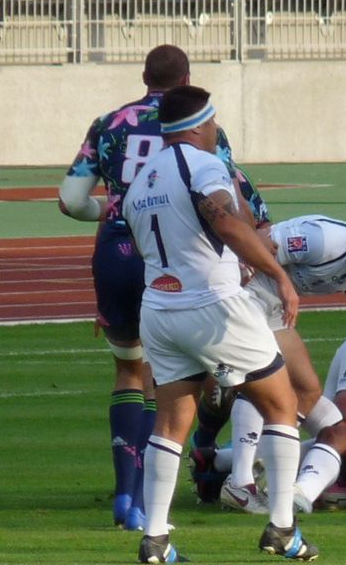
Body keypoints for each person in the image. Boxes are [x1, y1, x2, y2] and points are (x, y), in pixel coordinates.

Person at [59, 44, 270, 531]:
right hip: (178, 258)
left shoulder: (109, 123)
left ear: (143, 76)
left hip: (117, 250)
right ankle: (158, 500)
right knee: (172, 378)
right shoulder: (201, 123)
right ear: (189, 79)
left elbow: (70, 201)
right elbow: (234, 196)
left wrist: (113, 210)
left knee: (129, 372)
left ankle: (126, 497)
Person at [123, 85, 317, 564]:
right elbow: (227, 224)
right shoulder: (204, 165)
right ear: (198, 125)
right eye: (213, 123)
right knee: (282, 402)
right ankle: (282, 529)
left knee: (171, 423)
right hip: (211, 305)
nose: (216, 131)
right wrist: (277, 275)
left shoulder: (142, 178)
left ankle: (155, 538)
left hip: (159, 308)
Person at [220, 215, 346, 513]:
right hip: (245, 294)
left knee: (308, 390)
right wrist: (280, 282)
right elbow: (260, 242)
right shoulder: (324, 240)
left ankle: (240, 462)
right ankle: (239, 481)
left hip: (273, 307)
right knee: (264, 378)